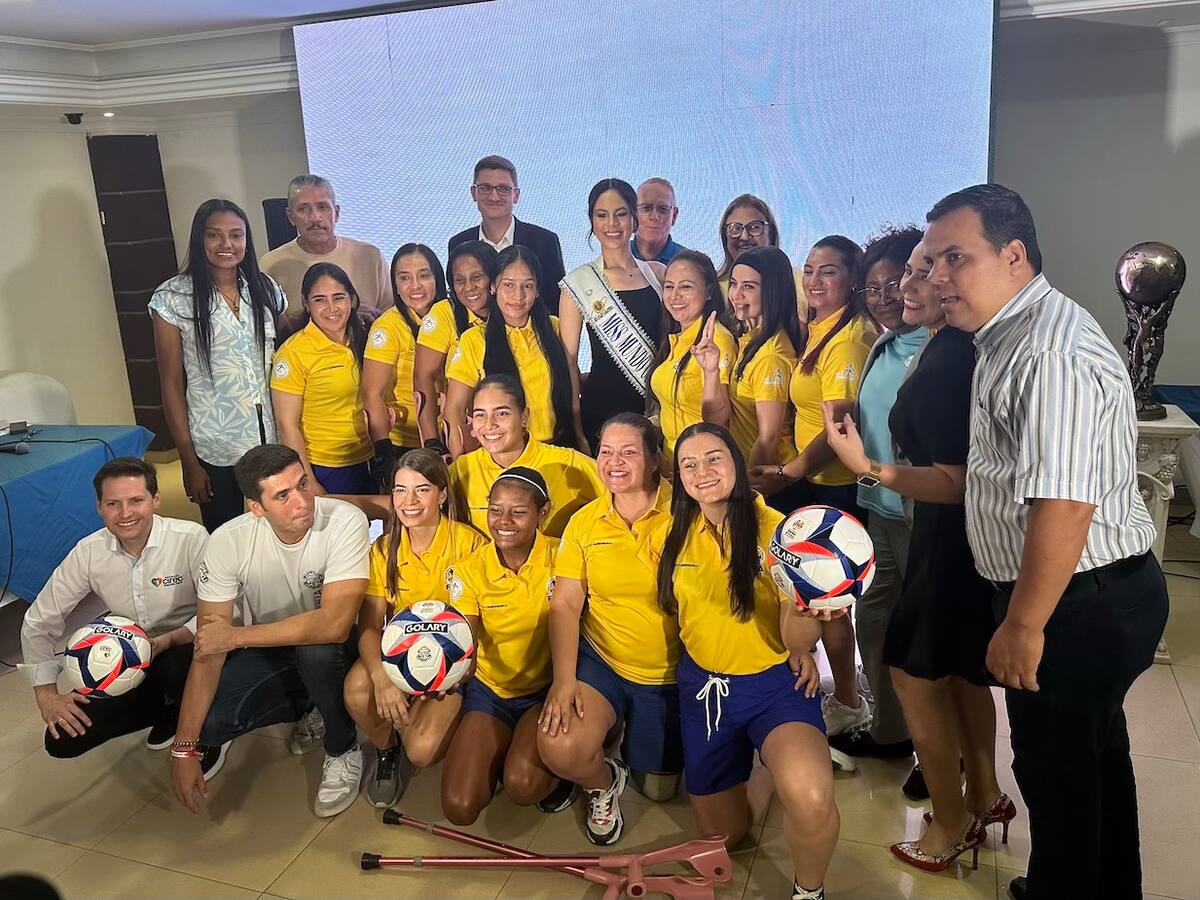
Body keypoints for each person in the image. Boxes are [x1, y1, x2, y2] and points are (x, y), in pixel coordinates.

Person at [923, 184, 1166, 900]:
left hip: (1076, 604)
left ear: (1015, 255)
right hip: (1090, 593)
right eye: (934, 261)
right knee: (1092, 765)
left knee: (1058, 779)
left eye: (956, 259)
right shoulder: (1011, 333)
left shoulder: (1047, 352)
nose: (938, 278)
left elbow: (1063, 503)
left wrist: (1023, 624)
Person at [825, 236, 1010, 871]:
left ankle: (950, 819)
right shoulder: (933, 345)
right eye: (909, 271)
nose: (910, 284)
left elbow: (952, 475)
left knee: (920, 670)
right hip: (928, 526)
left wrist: (865, 465)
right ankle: (983, 795)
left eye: (929, 270)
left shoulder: (955, 354)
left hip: (944, 532)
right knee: (947, 667)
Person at [659, 423, 838, 900]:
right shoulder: (672, 531)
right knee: (722, 838)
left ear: (737, 462)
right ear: (678, 476)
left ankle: (809, 892)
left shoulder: (780, 532)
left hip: (775, 686)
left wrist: (802, 610)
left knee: (813, 798)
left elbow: (798, 640)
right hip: (705, 691)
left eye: (714, 458)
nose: (703, 472)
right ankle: (763, 767)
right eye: (689, 464)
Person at [171, 444, 371, 819]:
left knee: (318, 650)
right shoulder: (227, 542)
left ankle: (342, 747)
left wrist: (236, 636)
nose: (303, 501)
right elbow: (210, 647)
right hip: (273, 645)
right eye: (283, 495)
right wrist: (184, 748)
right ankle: (315, 704)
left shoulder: (344, 520)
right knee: (212, 726)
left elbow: (334, 624)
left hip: (343, 646)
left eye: (303, 484)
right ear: (256, 508)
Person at [749, 236, 876, 755]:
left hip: (832, 488)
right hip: (811, 484)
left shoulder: (848, 338)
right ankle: (842, 692)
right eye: (809, 271)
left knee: (830, 602)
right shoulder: (821, 328)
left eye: (829, 272)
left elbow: (838, 424)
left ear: (851, 279)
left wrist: (789, 470)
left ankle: (847, 701)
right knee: (816, 598)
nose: (815, 281)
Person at [538, 413, 680, 845]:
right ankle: (603, 781)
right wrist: (564, 681)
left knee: (659, 791)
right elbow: (564, 604)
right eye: (606, 451)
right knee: (560, 747)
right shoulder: (584, 521)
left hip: (669, 673)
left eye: (629, 452)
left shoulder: (687, 511)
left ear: (655, 460)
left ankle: (622, 731)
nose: (614, 462)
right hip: (604, 660)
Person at [20, 458, 207, 758]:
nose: (125, 514)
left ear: (155, 499)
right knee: (62, 740)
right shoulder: (89, 551)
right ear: (99, 507)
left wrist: (170, 639)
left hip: (193, 646)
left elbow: (230, 610)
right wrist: (47, 695)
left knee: (176, 666)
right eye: (113, 503)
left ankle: (202, 721)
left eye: (136, 500)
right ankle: (165, 708)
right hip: (129, 658)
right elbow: (38, 622)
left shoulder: (191, 539)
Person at [827, 227, 925, 769]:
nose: (887, 296)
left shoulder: (942, 348)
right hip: (880, 513)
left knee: (926, 641)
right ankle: (891, 732)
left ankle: (945, 760)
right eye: (872, 288)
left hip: (921, 515)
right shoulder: (883, 345)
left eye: (897, 283)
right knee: (875, 621)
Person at [342, 449, 484, 808]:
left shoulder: (468, 543)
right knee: (358, 689)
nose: (409, 501)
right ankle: (387, 752)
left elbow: (479, 625)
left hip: (455, 661)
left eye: (422, 490)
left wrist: (450, 674)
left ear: (442, 494)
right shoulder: (384, 550)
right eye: (400, 490)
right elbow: (370, 626)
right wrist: (382, 678)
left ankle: (448, 724)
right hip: (404, 652)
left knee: (422, 751)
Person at [441, 468, 572, 825]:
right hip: (491, 693)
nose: (503, 522)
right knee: (459, 806)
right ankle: (509, 747)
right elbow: (465, 645)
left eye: (518, 511)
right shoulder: (469, 569)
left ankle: (561, 770)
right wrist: (441, 675)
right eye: (495, 510)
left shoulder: (564, 557)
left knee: (522, 785)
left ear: (543, 514)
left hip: (546, 689)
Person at [150, 199, 286, 532]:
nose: (227, 244)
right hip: (214, 442)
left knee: (277, 531)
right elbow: (170, 384)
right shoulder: (173, 298)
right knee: (225, 536)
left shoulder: (266, 289)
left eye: (236, 235)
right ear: (200, 239)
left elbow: (287, 351)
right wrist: (188, 459)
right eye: (215, 235)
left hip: (270, 436)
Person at [559, 179, 666, 451]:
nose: (612, 224)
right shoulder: (579, 282)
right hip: (601, 410)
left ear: (634, 218)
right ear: (592, 222)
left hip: (657, 408)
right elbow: (569, 363)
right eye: (602, 215)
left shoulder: (658, 274)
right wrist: (576, 428)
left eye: (620, 214)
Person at [444, 245, 579, 454]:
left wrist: (579, 436)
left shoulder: (555, 328)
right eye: (508, 285)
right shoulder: (475, 339)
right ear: (493, 286)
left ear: (537, 291)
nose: (518, 296)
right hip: (503, 457)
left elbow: (572, 385)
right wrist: (460, 463)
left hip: (558, 449)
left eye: (528, 286)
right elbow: (454, 409)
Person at [449, 375, 603, 538]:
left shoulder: (568, 463)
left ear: (524, 416)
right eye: (480, 415)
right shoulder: (461, 470)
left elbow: (623, 497)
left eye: (501, 413)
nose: (489, 425)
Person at [271, 263, 373, 495]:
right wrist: (307, 480)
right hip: (326, 466)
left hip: (369, 456)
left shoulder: (365, 339)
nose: (331, 307)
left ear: (352, 299)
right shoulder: (294, 352)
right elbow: (288, 426)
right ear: (306, 304)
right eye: (319, 300)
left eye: (338, 297)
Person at [698, 246, 802, 469]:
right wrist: (711, 371)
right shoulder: (749, 340)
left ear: (773, 291)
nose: (736, 295)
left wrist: (747, 488)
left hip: (767, 482)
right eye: (734, 284)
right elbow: (716, 420)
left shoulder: (771, 356)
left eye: (749, 287)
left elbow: (768, 440)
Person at [362, 244, 446, 486]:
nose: (415, 286)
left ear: (437, 278)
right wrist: (384, 451)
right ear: (395, 285)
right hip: (405, 443)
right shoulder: (388, 327)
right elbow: (372, 393)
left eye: (424, 275)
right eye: (404, 277)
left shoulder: (451, 314)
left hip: (451, 436)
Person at [260, 174, 391, 330]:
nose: (315, 218)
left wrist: (371, 317)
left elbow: (394, 318)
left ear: (336, 212)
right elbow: (269, 330)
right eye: (303, 209)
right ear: (291, 216)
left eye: (322, 207)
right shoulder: (271, 265)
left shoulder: (370, 256)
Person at [647, 250, 737, 458]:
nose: (675, 295)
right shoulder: (676, 338)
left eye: (686, 286)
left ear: (709, 291)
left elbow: (719, 421)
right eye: (669, 286)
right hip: (673, 463)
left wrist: (712, 370)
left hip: (702, 464)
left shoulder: (716, 340)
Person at [448, 155, 565, 315]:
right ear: (474, 193)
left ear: (516, 195)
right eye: (485, 187)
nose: (494, 196)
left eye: (503, 188)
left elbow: (557, 305)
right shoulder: (459, 243)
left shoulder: (545, 242)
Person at [413, 242, 498, 454]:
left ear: (494, 278)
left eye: (477, 277)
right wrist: (432, 442)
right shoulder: (444, 313)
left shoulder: (510, 309)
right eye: (459, 280)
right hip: (461, 430)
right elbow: (423, 377)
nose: (469, 287)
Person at [715, 194, 806, 319]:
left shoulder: (801, 282)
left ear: (771, 232)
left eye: (755, 227)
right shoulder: (714, 289)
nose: (745, 236)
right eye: (735, 228)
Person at [631, 177, 687, 264]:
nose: (654, 216)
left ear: (674, 216)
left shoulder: (689, 264)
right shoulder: (615, 258)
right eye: (646, 208)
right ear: (634, 213)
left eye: (662, 209)